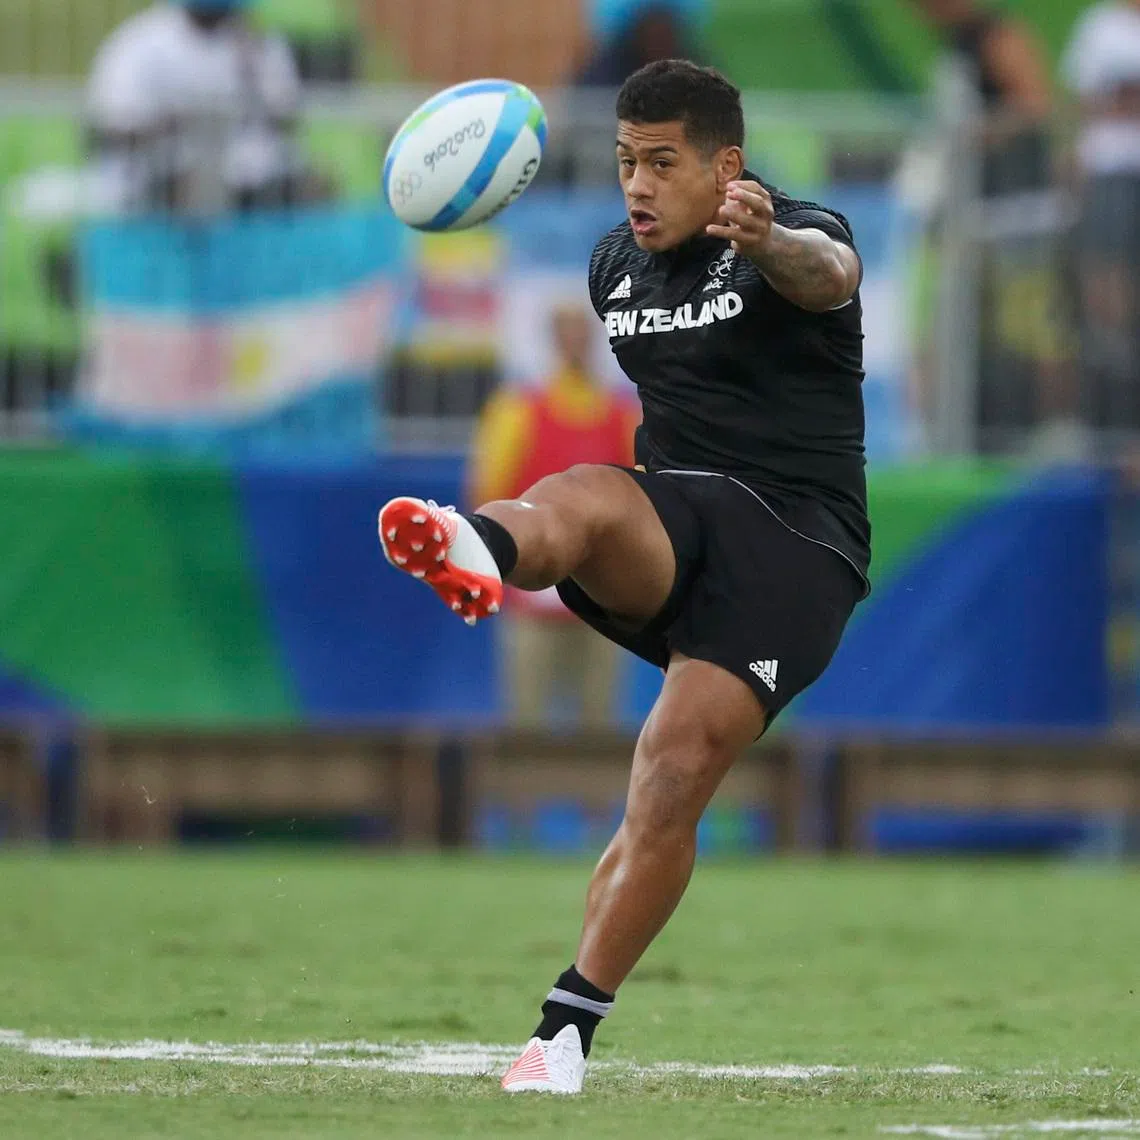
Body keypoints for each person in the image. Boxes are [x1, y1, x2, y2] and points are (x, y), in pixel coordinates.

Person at [378, 60, 868, 1093]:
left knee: (672, 771)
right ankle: (474, 544)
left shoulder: (792, 232)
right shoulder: (615, 266)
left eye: (661, 163)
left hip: (795, 547)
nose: (636, 186)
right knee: (590, 494)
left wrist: (768, 235)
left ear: (725, 167)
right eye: (622, 163)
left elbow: (829, 275)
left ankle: (561, 1037)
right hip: (676, 519)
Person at [468, 303, 640, 728]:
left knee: (600, 730)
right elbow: (487, 496)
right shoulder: (517, 411)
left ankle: (600, 798)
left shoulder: (623, 416)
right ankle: (522, 798)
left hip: (605, 602)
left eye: (583, 333)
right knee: (524, 728)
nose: (576, 343)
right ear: (554, 340)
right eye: (567, 333)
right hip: (531, 597)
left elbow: (642, 503)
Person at [86, 0, 319, 213]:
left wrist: (252, 73)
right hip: (159, 178)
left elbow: (286, 120)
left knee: (314, 187)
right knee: (198, 189)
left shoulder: (257, 44)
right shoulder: (139, 43)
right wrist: (183, 124)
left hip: (245, 178)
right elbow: (110, 132)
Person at [1063, 0, 1140, 433]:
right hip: (1111, 173)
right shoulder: (1102, 25)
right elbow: (1083, 102)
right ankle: (1112, 405)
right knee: (1108, 292)